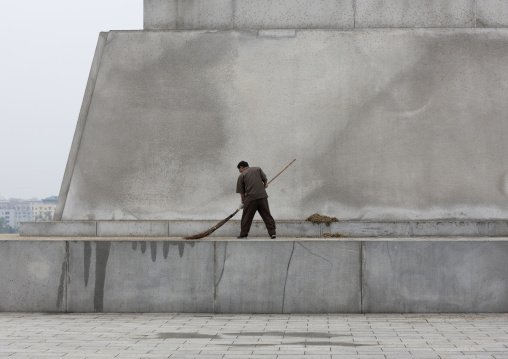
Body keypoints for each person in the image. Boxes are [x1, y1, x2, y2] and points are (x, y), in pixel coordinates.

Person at [236, 161, 276, 239]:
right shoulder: (257, 169)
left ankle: (244, 234)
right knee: (267, 215)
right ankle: (272, 233)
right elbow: (265, 179)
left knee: (247, 217)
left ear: (241, 167)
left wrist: (243, 202)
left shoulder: (241, 176)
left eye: (239, 169)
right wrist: (265, 185)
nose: (239, 171)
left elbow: (242, 192)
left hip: (250, 199)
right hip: (262, 197)